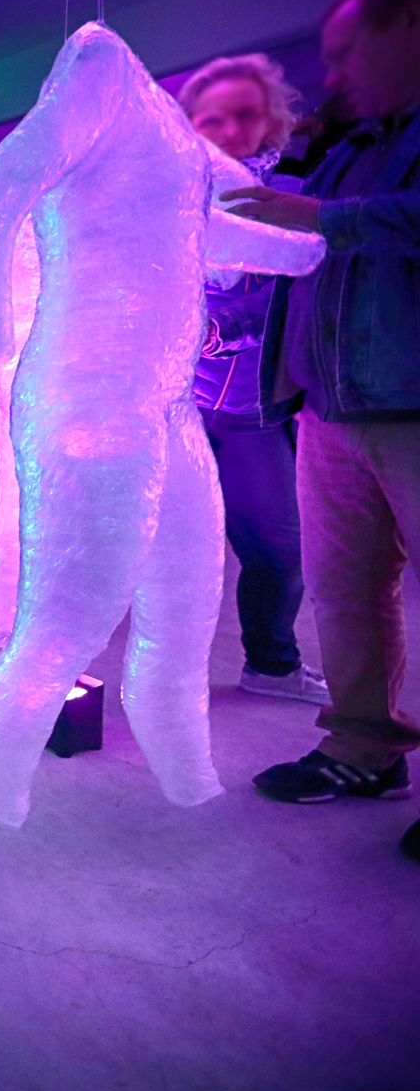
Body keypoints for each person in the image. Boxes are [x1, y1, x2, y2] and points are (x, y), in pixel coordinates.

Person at [223, 0, 420, 863]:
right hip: (332, 407)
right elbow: (289, 234)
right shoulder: (350, 145)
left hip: (409, 402)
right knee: (346, 592)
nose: (332, 73)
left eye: (346, 52)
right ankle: (363, 750)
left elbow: (341, 223)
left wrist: (315, 214)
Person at [177, 54, 329, 705]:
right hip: (174, 403)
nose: (230, 129)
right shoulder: (174, 193)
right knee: (155, 550)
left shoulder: (294, 194)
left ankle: (270, 663)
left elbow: (296, 282)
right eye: (213, 117)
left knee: (278, 547)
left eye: (247, 114)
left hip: (249, 409)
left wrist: (221, 324)